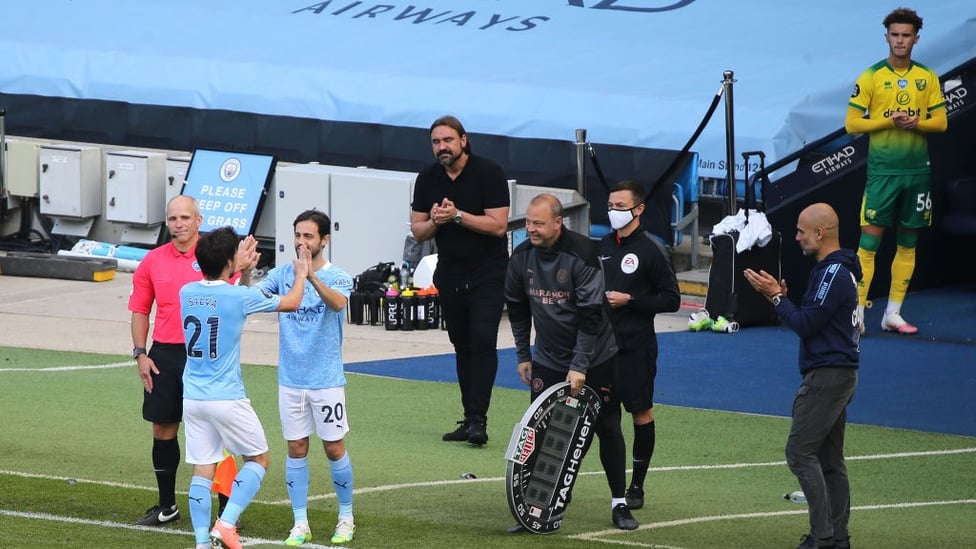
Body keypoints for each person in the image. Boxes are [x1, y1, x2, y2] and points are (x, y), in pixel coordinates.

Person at [505, 193, 638, 531]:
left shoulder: (583, 254)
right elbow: (517, 310)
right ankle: (540, 505)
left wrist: (579, 365)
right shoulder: (521, 257)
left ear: (558, 222)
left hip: (596, 356)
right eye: (528, 223)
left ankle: (619, 503)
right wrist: (524, 355)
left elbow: (592, 317)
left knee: (607, 425)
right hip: (548, 358)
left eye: (538, 223)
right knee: (540, 429)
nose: (530, 229)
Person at [129, 195, 255, 526]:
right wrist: (140, 353)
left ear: (199, 220)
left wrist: (240, 268)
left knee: (221, 433)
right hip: (165, 354)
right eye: (172, 218)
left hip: (208, 356)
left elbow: (232, 298)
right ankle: (167, 506)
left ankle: (227, 510)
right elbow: (141, 310)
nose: (178, 224)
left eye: (185, 217)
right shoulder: (152, 261)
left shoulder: (216, 257)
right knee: (163, 427)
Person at [180, 226, 309, 549]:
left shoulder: (187, 292)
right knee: (258, 458)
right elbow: (292, 302)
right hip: (226, 396)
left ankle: (200, 543)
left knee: (203, 468)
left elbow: (226, 297)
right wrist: (302, 273)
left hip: (193, 397)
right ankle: (225, 523)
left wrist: (240, 270)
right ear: (228, 260)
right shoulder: (238, 295)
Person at [744, 203, 860, 549]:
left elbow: (806, 324)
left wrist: (777, 298)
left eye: (801, 231)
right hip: (841, 373)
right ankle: (837, 537)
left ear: (820, 233)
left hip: (826, 376)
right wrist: (783, 300)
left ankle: (822, 537)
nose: (796, 237)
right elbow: (811, 318)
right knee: (829, 459)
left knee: (799, 453)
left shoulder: (831, 274)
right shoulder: (842, 271)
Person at [255, 210, 357, 546]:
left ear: (324, 240)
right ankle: (300, 523)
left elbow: (338, 304)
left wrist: (310, 276)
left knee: (333, 447)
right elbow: (253, 297)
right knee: (296, 447)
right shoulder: (281, 274)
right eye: (298, 235)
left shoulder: (339, 276)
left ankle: (346, 517)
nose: (301, 242)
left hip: (326, 380)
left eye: (308, 236)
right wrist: (239, 270)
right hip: (290, 379)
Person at [845, 7, 947, 335]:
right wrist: (889, 120)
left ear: (916, 38)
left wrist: (918, 122)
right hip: (883, 171)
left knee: (908, 243)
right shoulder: (872, 76)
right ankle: (857, 313)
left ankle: (893, 313)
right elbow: (852, 124)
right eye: (895, 35)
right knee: (869, 244)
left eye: (906, 35)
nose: (900, 41)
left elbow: (942, 123)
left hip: (917, 172)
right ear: (886, 36)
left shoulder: (927, 77)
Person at [410, 115, 510, 445]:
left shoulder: (489, 173)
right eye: (437, 142)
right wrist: (438, 222)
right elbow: (418, 228)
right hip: (450, 272)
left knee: (483, 340)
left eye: (448, 141)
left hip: (488, 272)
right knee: (462, 344)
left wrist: (457, 215)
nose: (442, 147)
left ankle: (479, 419)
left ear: (463, 140)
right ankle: (469, 418)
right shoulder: (427, 178)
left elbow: (498, 225)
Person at [598, 180, 681, 511]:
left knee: (640, 412)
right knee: (604, 417)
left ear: (638, 209)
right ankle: (614, 486)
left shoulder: (652, 249)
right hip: (602, 348)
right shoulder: (602, 245)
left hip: (636, 347)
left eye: (620, 206)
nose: (613, 212)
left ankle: (637, 486)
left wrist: (630, 300)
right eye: (610, 206)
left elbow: (672, 300)